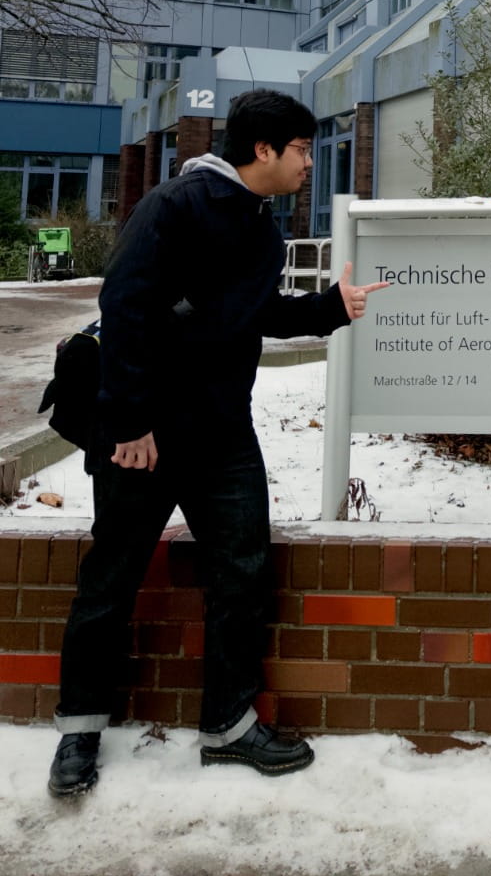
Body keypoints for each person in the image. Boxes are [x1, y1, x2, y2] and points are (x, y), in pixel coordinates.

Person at [48, 89, 388, 799]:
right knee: (111, 579)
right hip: (142, 436)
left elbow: (251, 314)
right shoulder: (174, 205)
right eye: (302, 150)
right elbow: (124, 306)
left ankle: (229, 727)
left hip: (222, 435)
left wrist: (331, 307)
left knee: (242, 575)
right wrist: (129, 422)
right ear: (263, 149)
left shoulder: (261, 226)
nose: (309, 164)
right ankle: (79, 730)